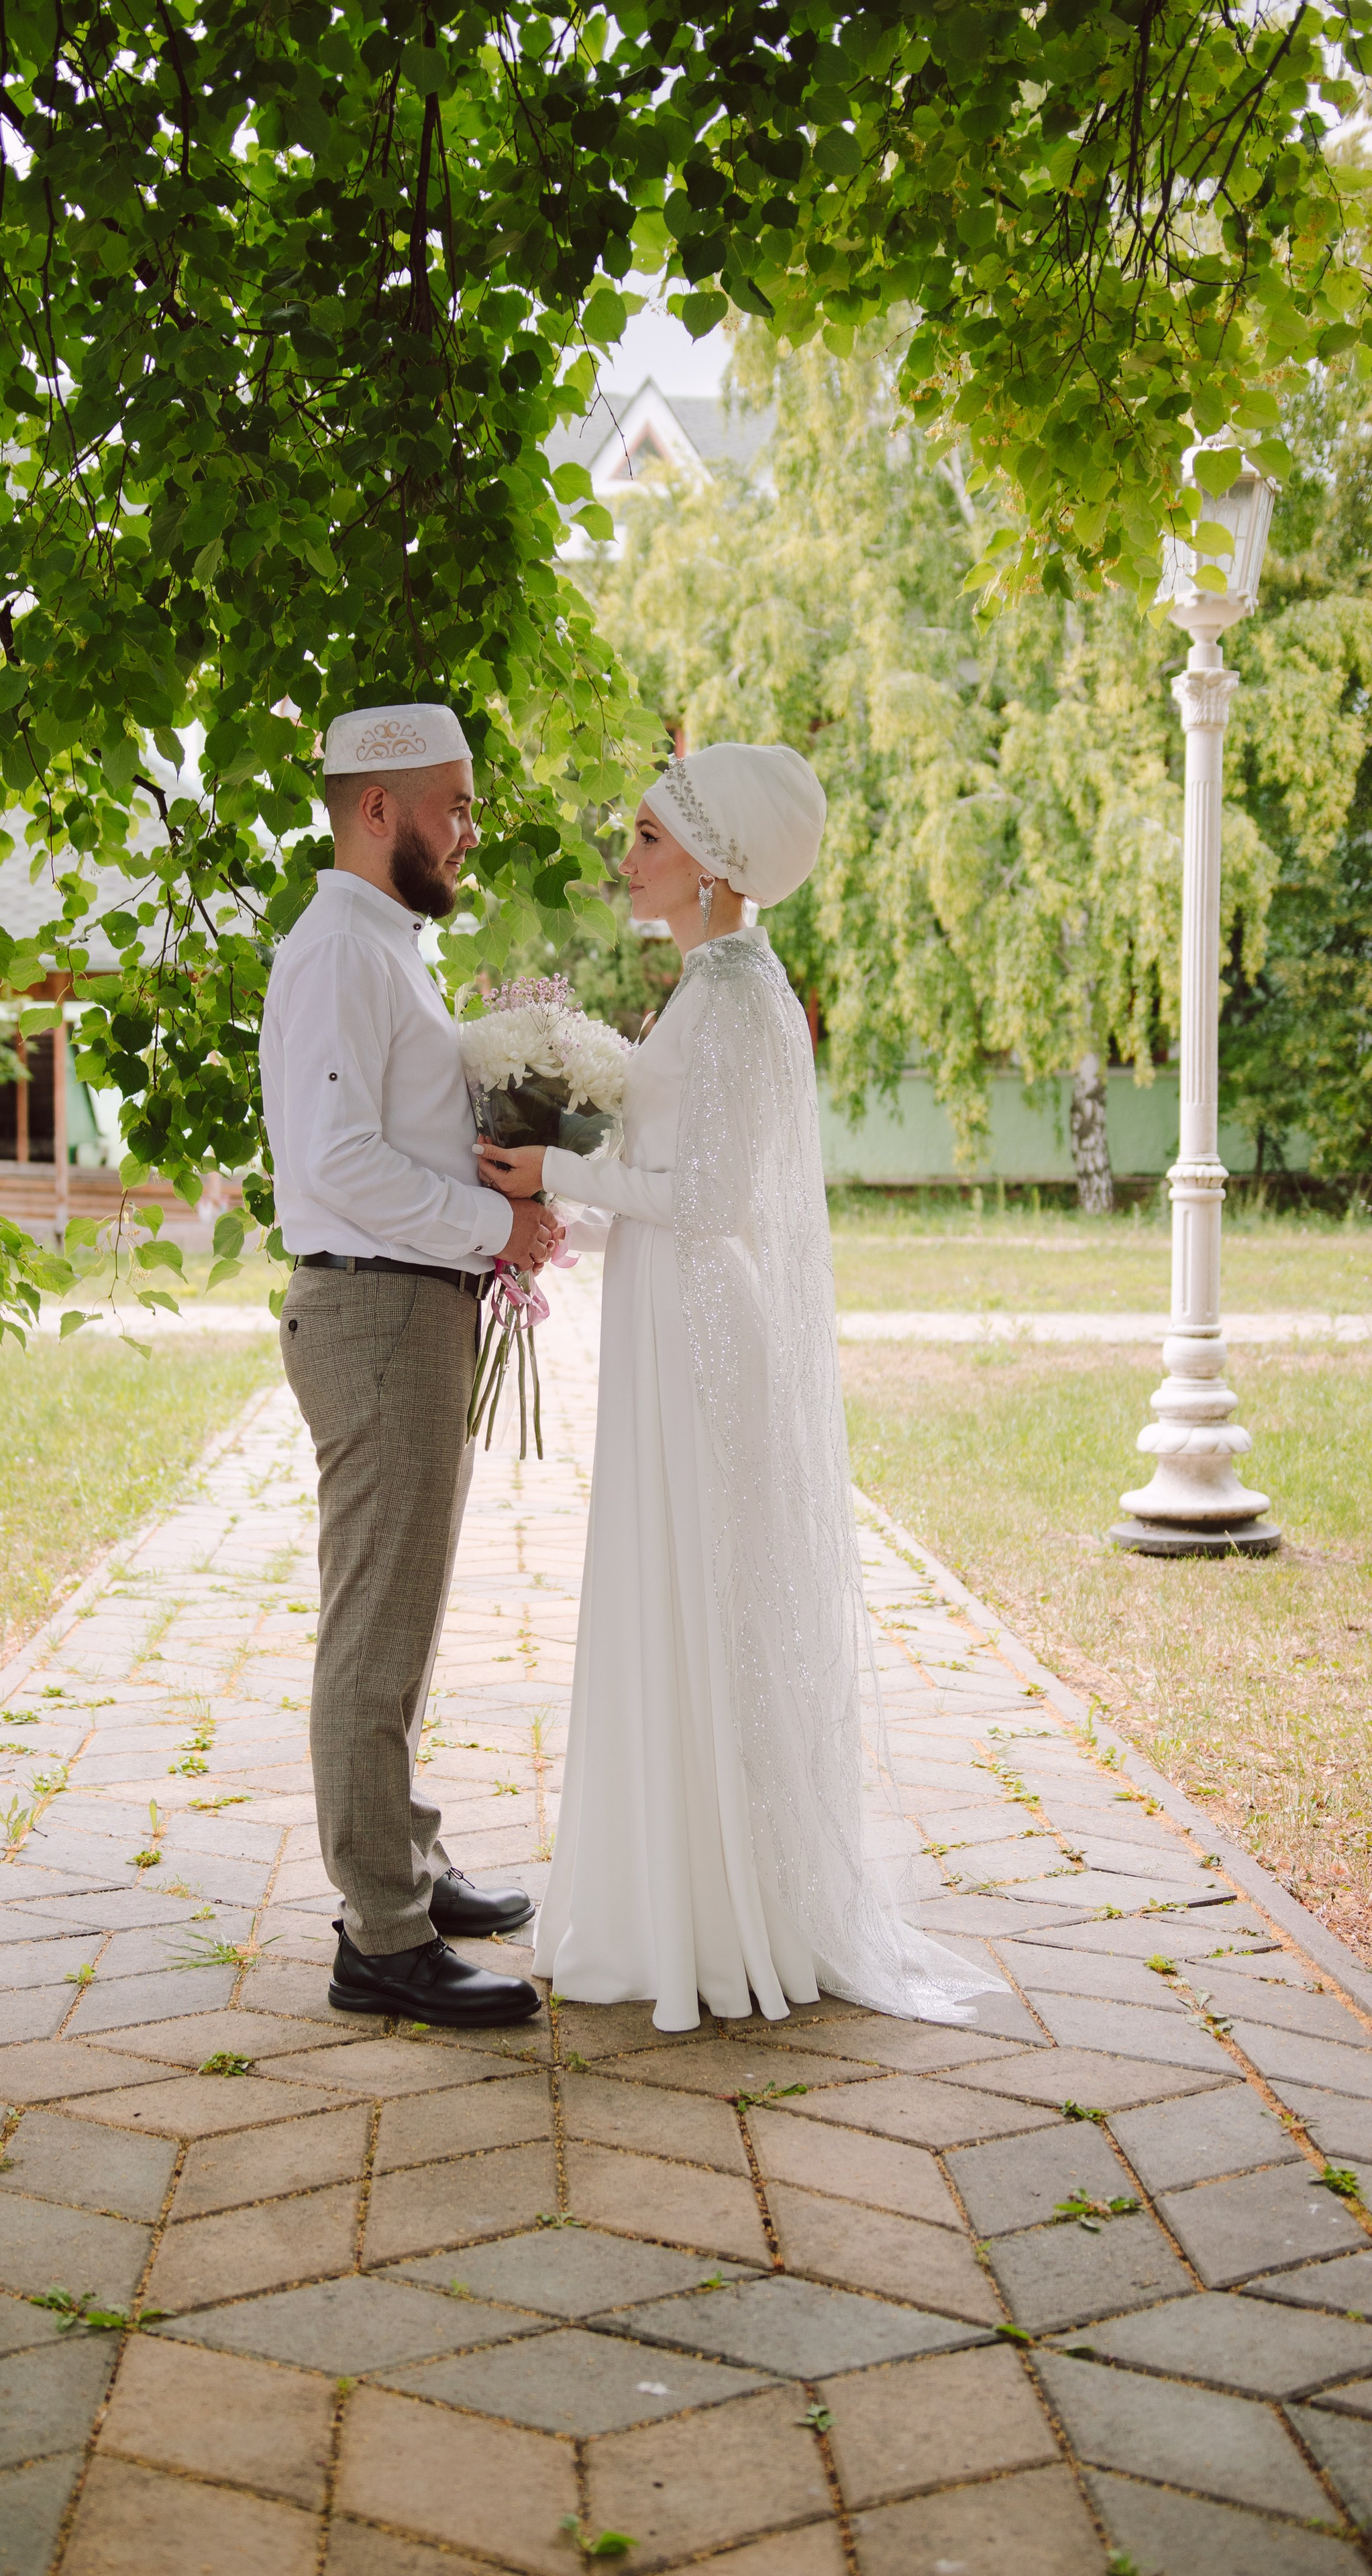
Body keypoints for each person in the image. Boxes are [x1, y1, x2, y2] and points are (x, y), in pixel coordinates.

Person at [476, 743, 999, 2033]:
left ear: (712, 864)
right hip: (684, 1323)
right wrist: (564, 1194)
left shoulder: (735, 996)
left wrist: (554, 1176)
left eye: (649, 836)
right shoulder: (723, 986)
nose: (631, 856)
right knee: (677, 1594)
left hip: (706, 1338)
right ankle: (678, 1896)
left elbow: (703, 1201)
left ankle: (713, 1919)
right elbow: (676, 1179)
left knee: (700, 1597)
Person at [260, 701, 564, 2030]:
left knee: (403, 1617)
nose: (470, 827)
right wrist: (494, 1223)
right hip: (375, 1316)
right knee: (372, 1629)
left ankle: (410, 1860)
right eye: (452, 802)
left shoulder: (389, 947)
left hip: (411, 1310)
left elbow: (399, 1136)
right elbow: (335, 1164)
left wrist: (505, 1190)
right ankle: (377, 1936)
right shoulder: (338, 952)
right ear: (374, 810)